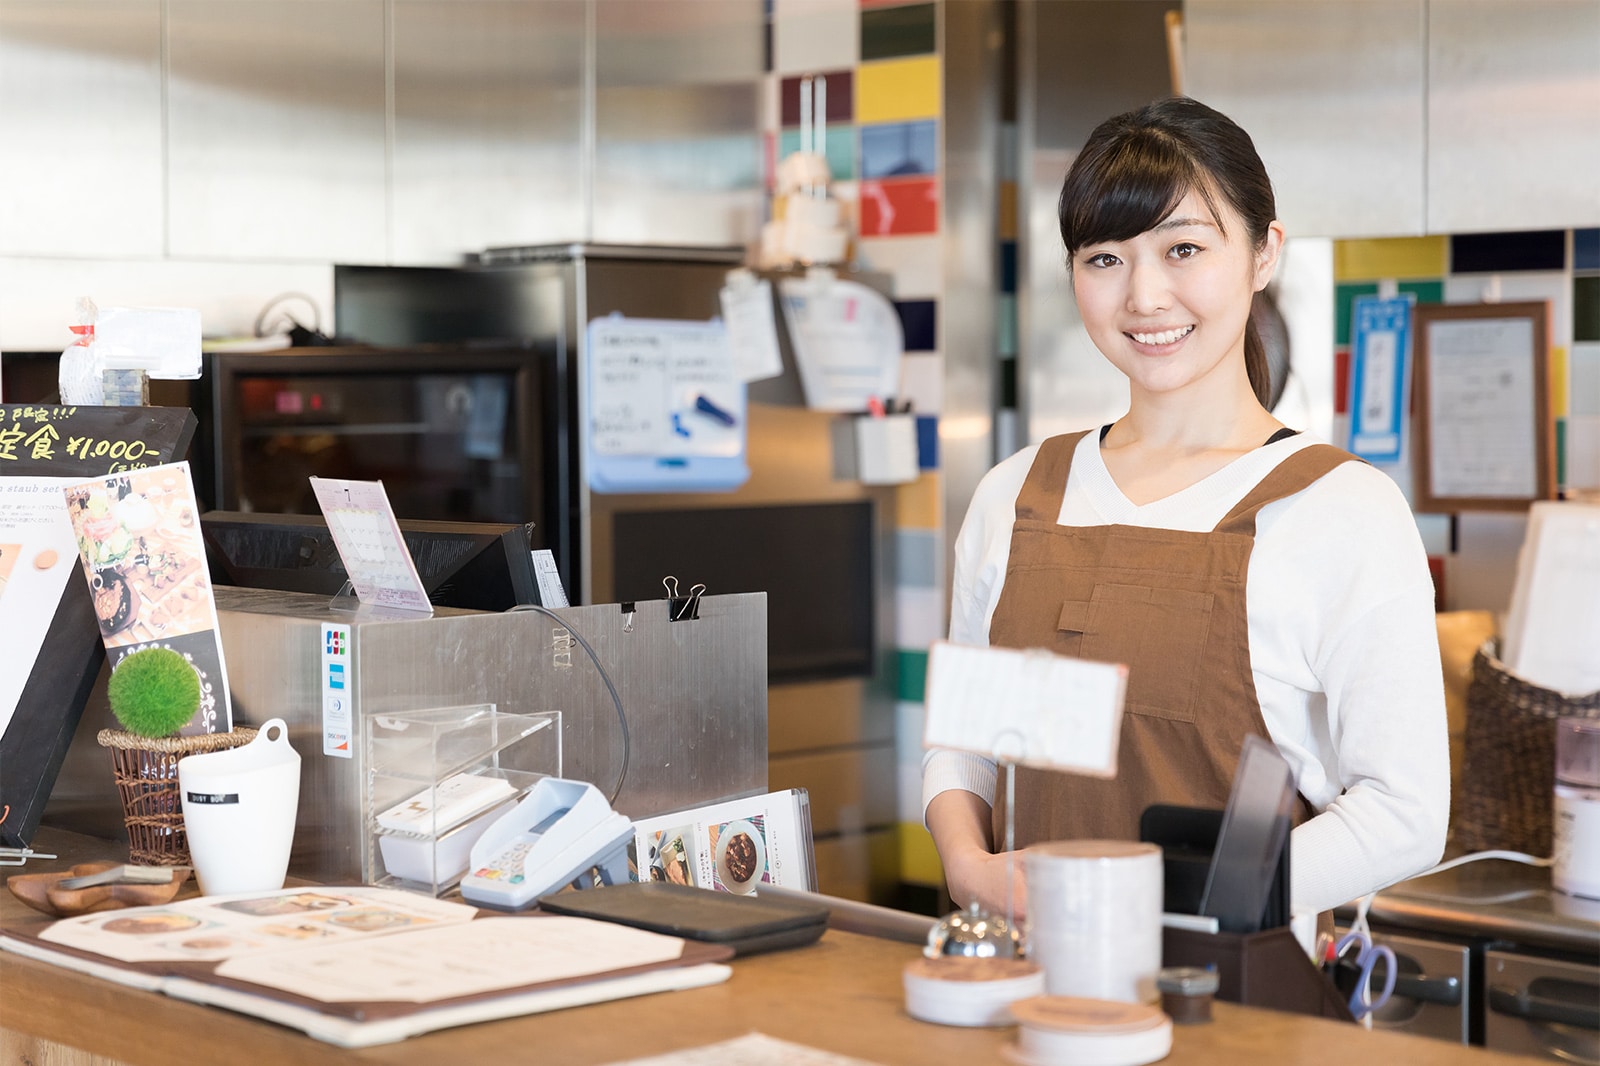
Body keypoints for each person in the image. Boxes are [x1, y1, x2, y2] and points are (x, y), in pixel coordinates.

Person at [922, 97, 1449, 921]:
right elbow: (967, 749)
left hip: (1239, 1012)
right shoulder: (1014, 495)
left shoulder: (1342, 510)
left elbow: (1404, 815)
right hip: (1027, 993)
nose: (1145, 297)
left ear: (1263, 253)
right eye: (1104, 260)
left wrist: (1162, 908)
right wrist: (966, 868)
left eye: (1185, 249)